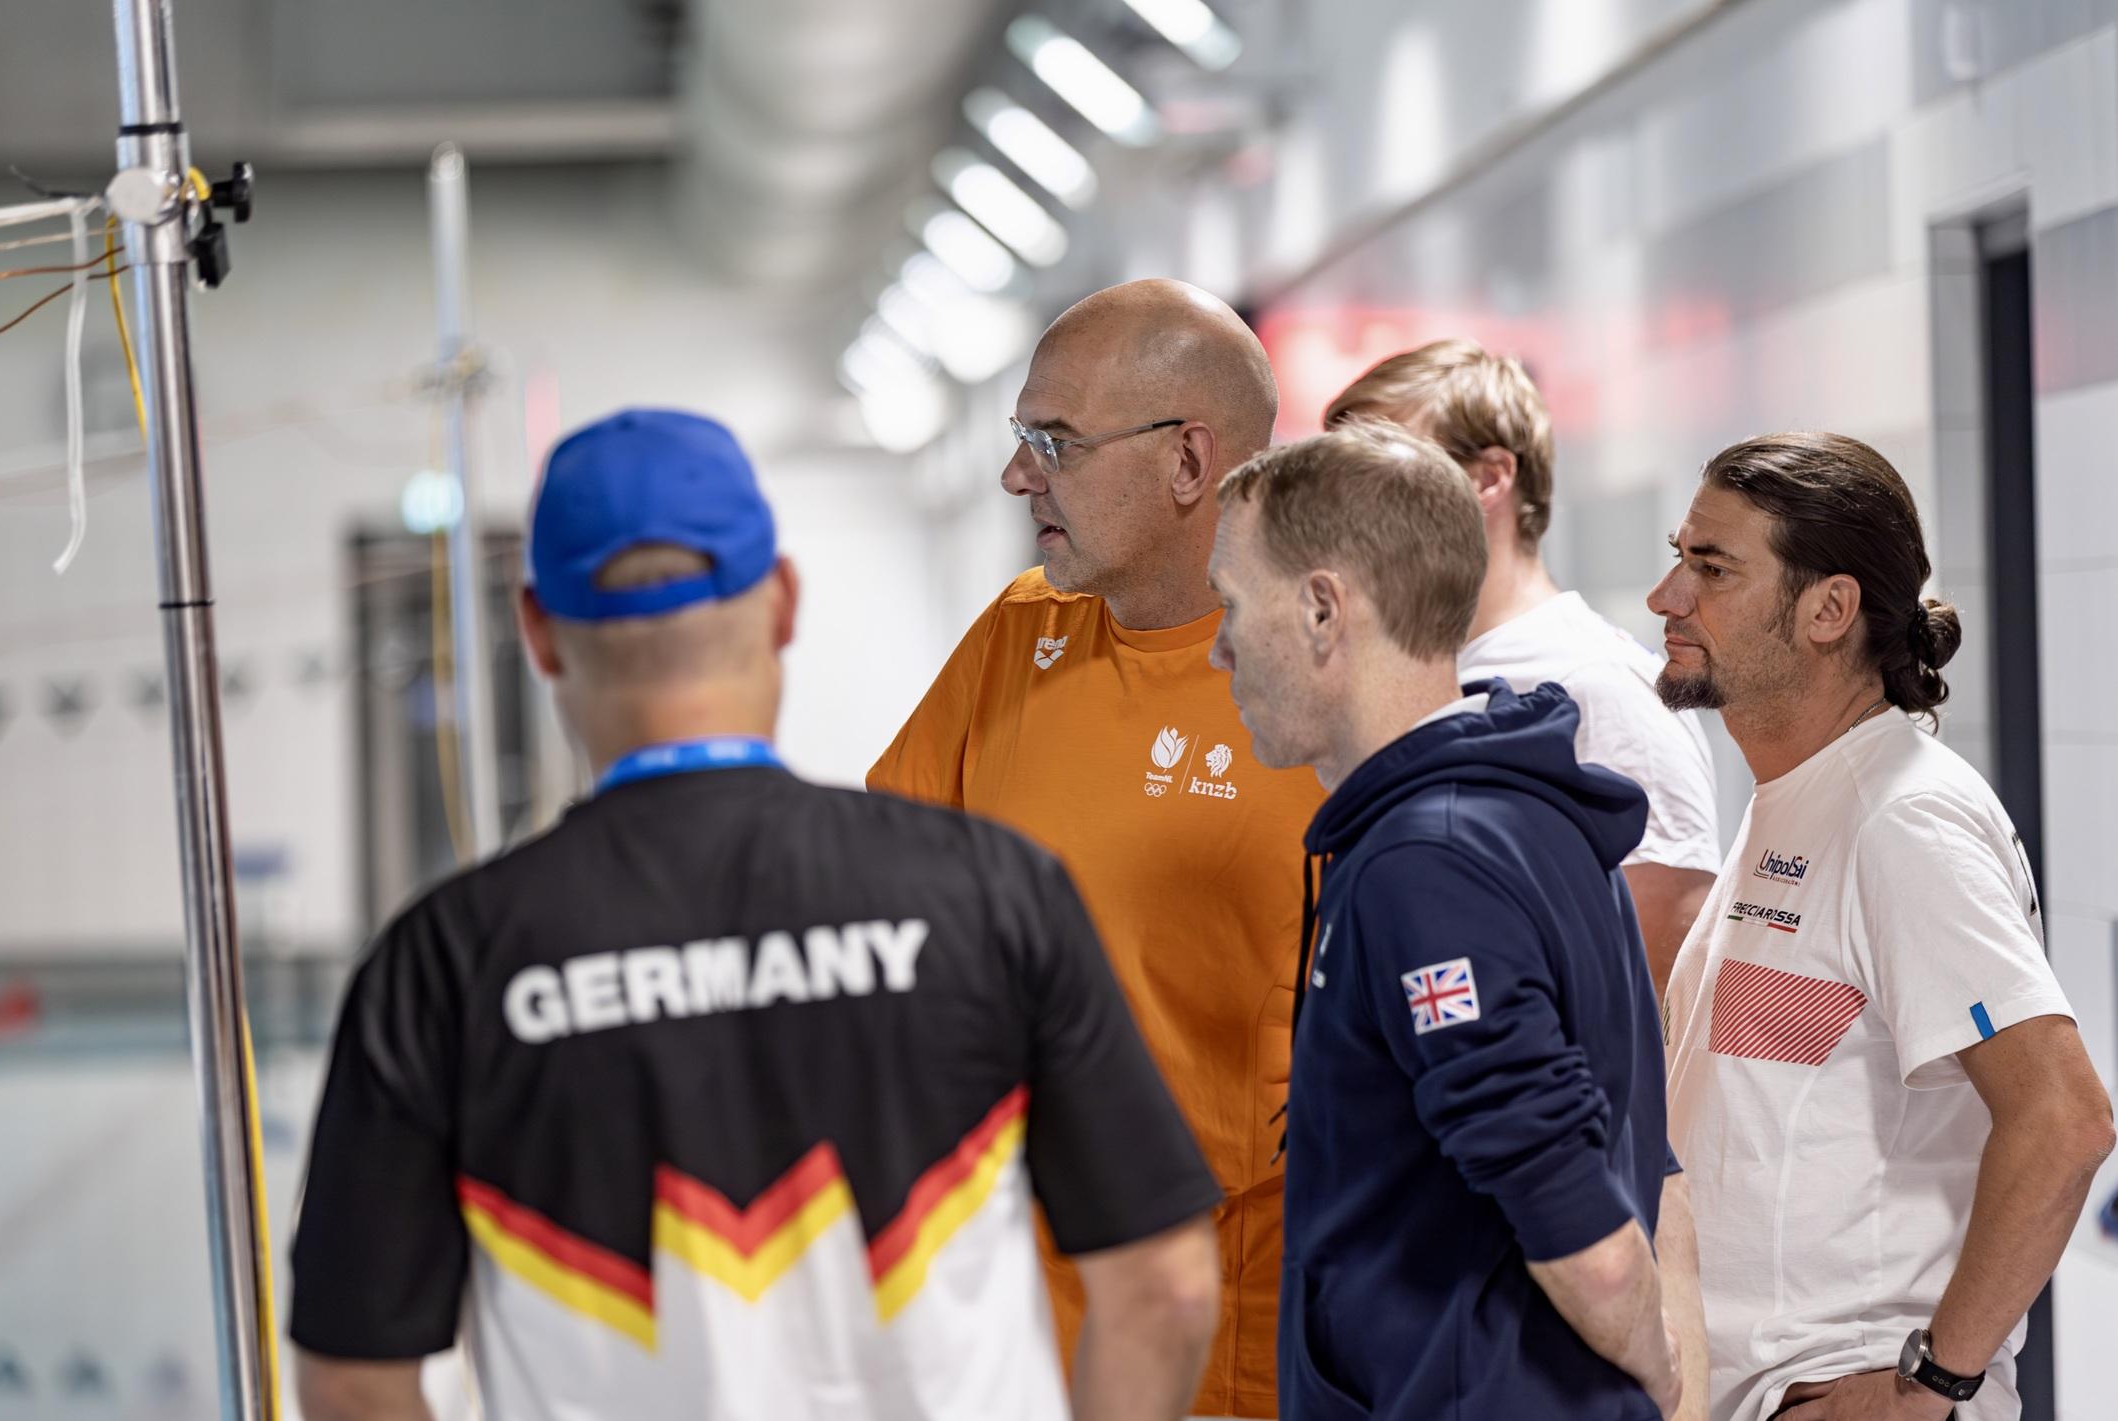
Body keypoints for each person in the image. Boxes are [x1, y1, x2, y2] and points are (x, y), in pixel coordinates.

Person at [288, 409, 1224, 1421]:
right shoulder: (991, 891)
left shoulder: (441, 962)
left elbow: (352, 1376)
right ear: (780, 600)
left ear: (539, 632)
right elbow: (1163, 1288)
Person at [870, 279, 1322, 1418]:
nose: (1017, 475)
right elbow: (882, 891)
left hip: (1222, 1331)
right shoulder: (1019, 632)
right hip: (1007, 1311)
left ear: (1187, 463)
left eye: (1052, 443)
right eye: (1022, 439)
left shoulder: (1325, 682)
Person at [1206, 423, 1702, 1420]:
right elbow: (1642, 1147)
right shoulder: (1527, 806)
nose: (1215, 647)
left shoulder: (1423, 863)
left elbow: (1579, 1222)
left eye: (1228, 605)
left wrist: (1652, 1373)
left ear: (1318, 611)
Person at [1651, 432, 2114, 1421]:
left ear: (1828, 608)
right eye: (1677, 555)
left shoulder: (1899, 816)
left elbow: (2063, 1116)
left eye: (1709, 566)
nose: (1666, 596)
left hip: (1838, 1385)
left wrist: (1931, 1382)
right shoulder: (1796, 797)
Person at [1327, 340, 1719, 991]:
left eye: (1382, 468)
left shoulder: (1599, 685)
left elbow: (1652, 993)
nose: (1343, 507)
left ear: (1488, 477)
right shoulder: (1407, 671)